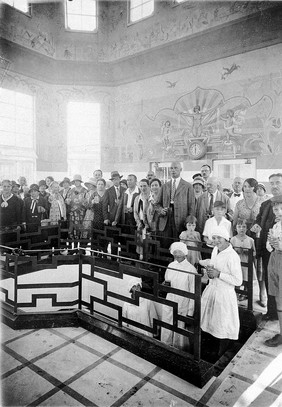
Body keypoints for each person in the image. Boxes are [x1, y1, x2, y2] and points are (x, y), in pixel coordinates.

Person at [199, 226, 242, 357]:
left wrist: (219, 274)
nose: (216, 241)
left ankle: (221, 355)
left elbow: (238, 280)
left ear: (226, 238)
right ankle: (210, 353)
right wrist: (210, 273)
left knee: (222, 325)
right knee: (209, 323)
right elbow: (214, 268)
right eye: (214, 238)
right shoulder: (215, 250)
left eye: (219, 238)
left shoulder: (232, 256)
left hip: (224, 295)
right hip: (212, 291)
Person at [251, 173, 282, 321]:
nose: (274, 186)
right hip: (267, 250)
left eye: (278, 183)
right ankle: (272, 313)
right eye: (272, 183)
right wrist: (256, 225)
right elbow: (258, 220)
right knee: (271, 283)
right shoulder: (265, 204)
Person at [161, 242, 197, 351]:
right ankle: (165, 346)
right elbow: (167, 280)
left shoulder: (191, 269)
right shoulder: (171, 266)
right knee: (167, 323)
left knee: (179, 327)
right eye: (175, 251)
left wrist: (190, 312)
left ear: (185, 253)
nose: (177, 254)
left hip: (183, 301)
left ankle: (178, 350)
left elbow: (193, 291)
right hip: (170, 298)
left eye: (180, 251)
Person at [157, 161, 195, 247]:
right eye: (171, 168)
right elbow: (157, 204)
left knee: (179, 245)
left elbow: (192, 206)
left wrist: (189, 223)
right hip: (166, 219)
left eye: (175, 168)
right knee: (166, 244)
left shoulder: (188, 186)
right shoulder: (164, 186)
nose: (173, 170)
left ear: (181, 170)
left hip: (181, 220)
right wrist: (161, 210)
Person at [264, 195, 282, 347]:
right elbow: (268, 247)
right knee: (277, 296)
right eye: (276, 209)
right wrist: (272, 243)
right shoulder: (275, 226)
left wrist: (280, 245)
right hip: (274, 260)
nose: (279, 212)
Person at [231, 219, 257, 303]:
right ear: (235, 228)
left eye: (244, 227)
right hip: (237, 263)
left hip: (247, 262)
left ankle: (245, 293)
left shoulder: (250, 240)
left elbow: (254, 253)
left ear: (247, 229)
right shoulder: (233, 240)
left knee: (246, 278)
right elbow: (230, 252)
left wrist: (247, 252)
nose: (241, 229)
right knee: (237, 278)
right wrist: (236, 251)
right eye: (239, 227)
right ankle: (236, 293)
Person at [133, 179, 150, 260]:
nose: (143, 188)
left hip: (149, 225)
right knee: (139, 243)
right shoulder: (137, 198)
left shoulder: (151, 197)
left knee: (148, 244)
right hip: (140, 224)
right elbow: (135, 212)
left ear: (148, 186)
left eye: (145, 186)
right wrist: (138, 222)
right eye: (141, 186)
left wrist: (147, 224)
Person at [66, 174, 87, 240]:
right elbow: (67, 199)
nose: (76, 182)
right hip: (72, 213)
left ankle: (81, 247)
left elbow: (87, 202)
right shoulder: (71, 190)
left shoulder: (85, 190)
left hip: (81, 213)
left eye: (77, 181)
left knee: (81, 228)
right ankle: (74, 246)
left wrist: (83, 202)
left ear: (80, 181)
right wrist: (67, 201)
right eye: (75, 181)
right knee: (73, 228)